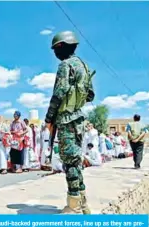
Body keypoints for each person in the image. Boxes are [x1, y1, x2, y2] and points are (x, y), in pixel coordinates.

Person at [44, 31, 95, 214]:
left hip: (65, 119)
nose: (55, 54)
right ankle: (83, 202)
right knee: (75, 160)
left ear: (61, 47)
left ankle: (73, 205)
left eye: (56, 49)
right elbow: (90, 95)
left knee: (70, 162)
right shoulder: (83, 66)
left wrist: (49, 118)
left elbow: (58, 94)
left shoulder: (66, 66)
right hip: (79, 119)